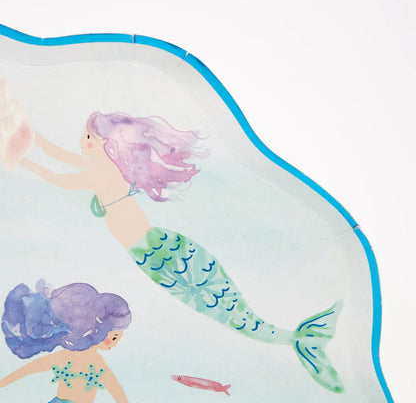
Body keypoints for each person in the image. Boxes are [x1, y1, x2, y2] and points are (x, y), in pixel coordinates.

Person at [14, 111, 343, 393]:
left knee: (225, 309)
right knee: (228, 308)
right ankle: (295, 339)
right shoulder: (106, 170)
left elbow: (57, 175)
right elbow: (63, 158)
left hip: (159, 256)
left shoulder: (102, 174)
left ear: (107, 145)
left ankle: (297, 340)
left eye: (88, 137)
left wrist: (21, 157)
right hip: (161, 247)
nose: (82, 142)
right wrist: (29, 135)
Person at [0, 281, 131, 403]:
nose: (115, 344)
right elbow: (27, 370)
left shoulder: (93, 361)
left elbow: (116, 390)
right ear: (98, 331)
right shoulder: (73, 358)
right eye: (114, 338)